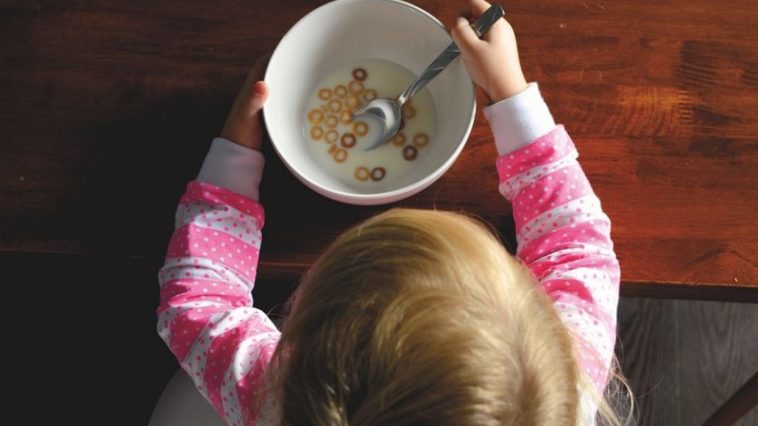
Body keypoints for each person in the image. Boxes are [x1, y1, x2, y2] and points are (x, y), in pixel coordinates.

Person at [156, 0, 631, 424]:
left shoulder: (274, 395)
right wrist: (510, 92)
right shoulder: (563, 385)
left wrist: (235, 151)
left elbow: (199, 303)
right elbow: (576, 246)